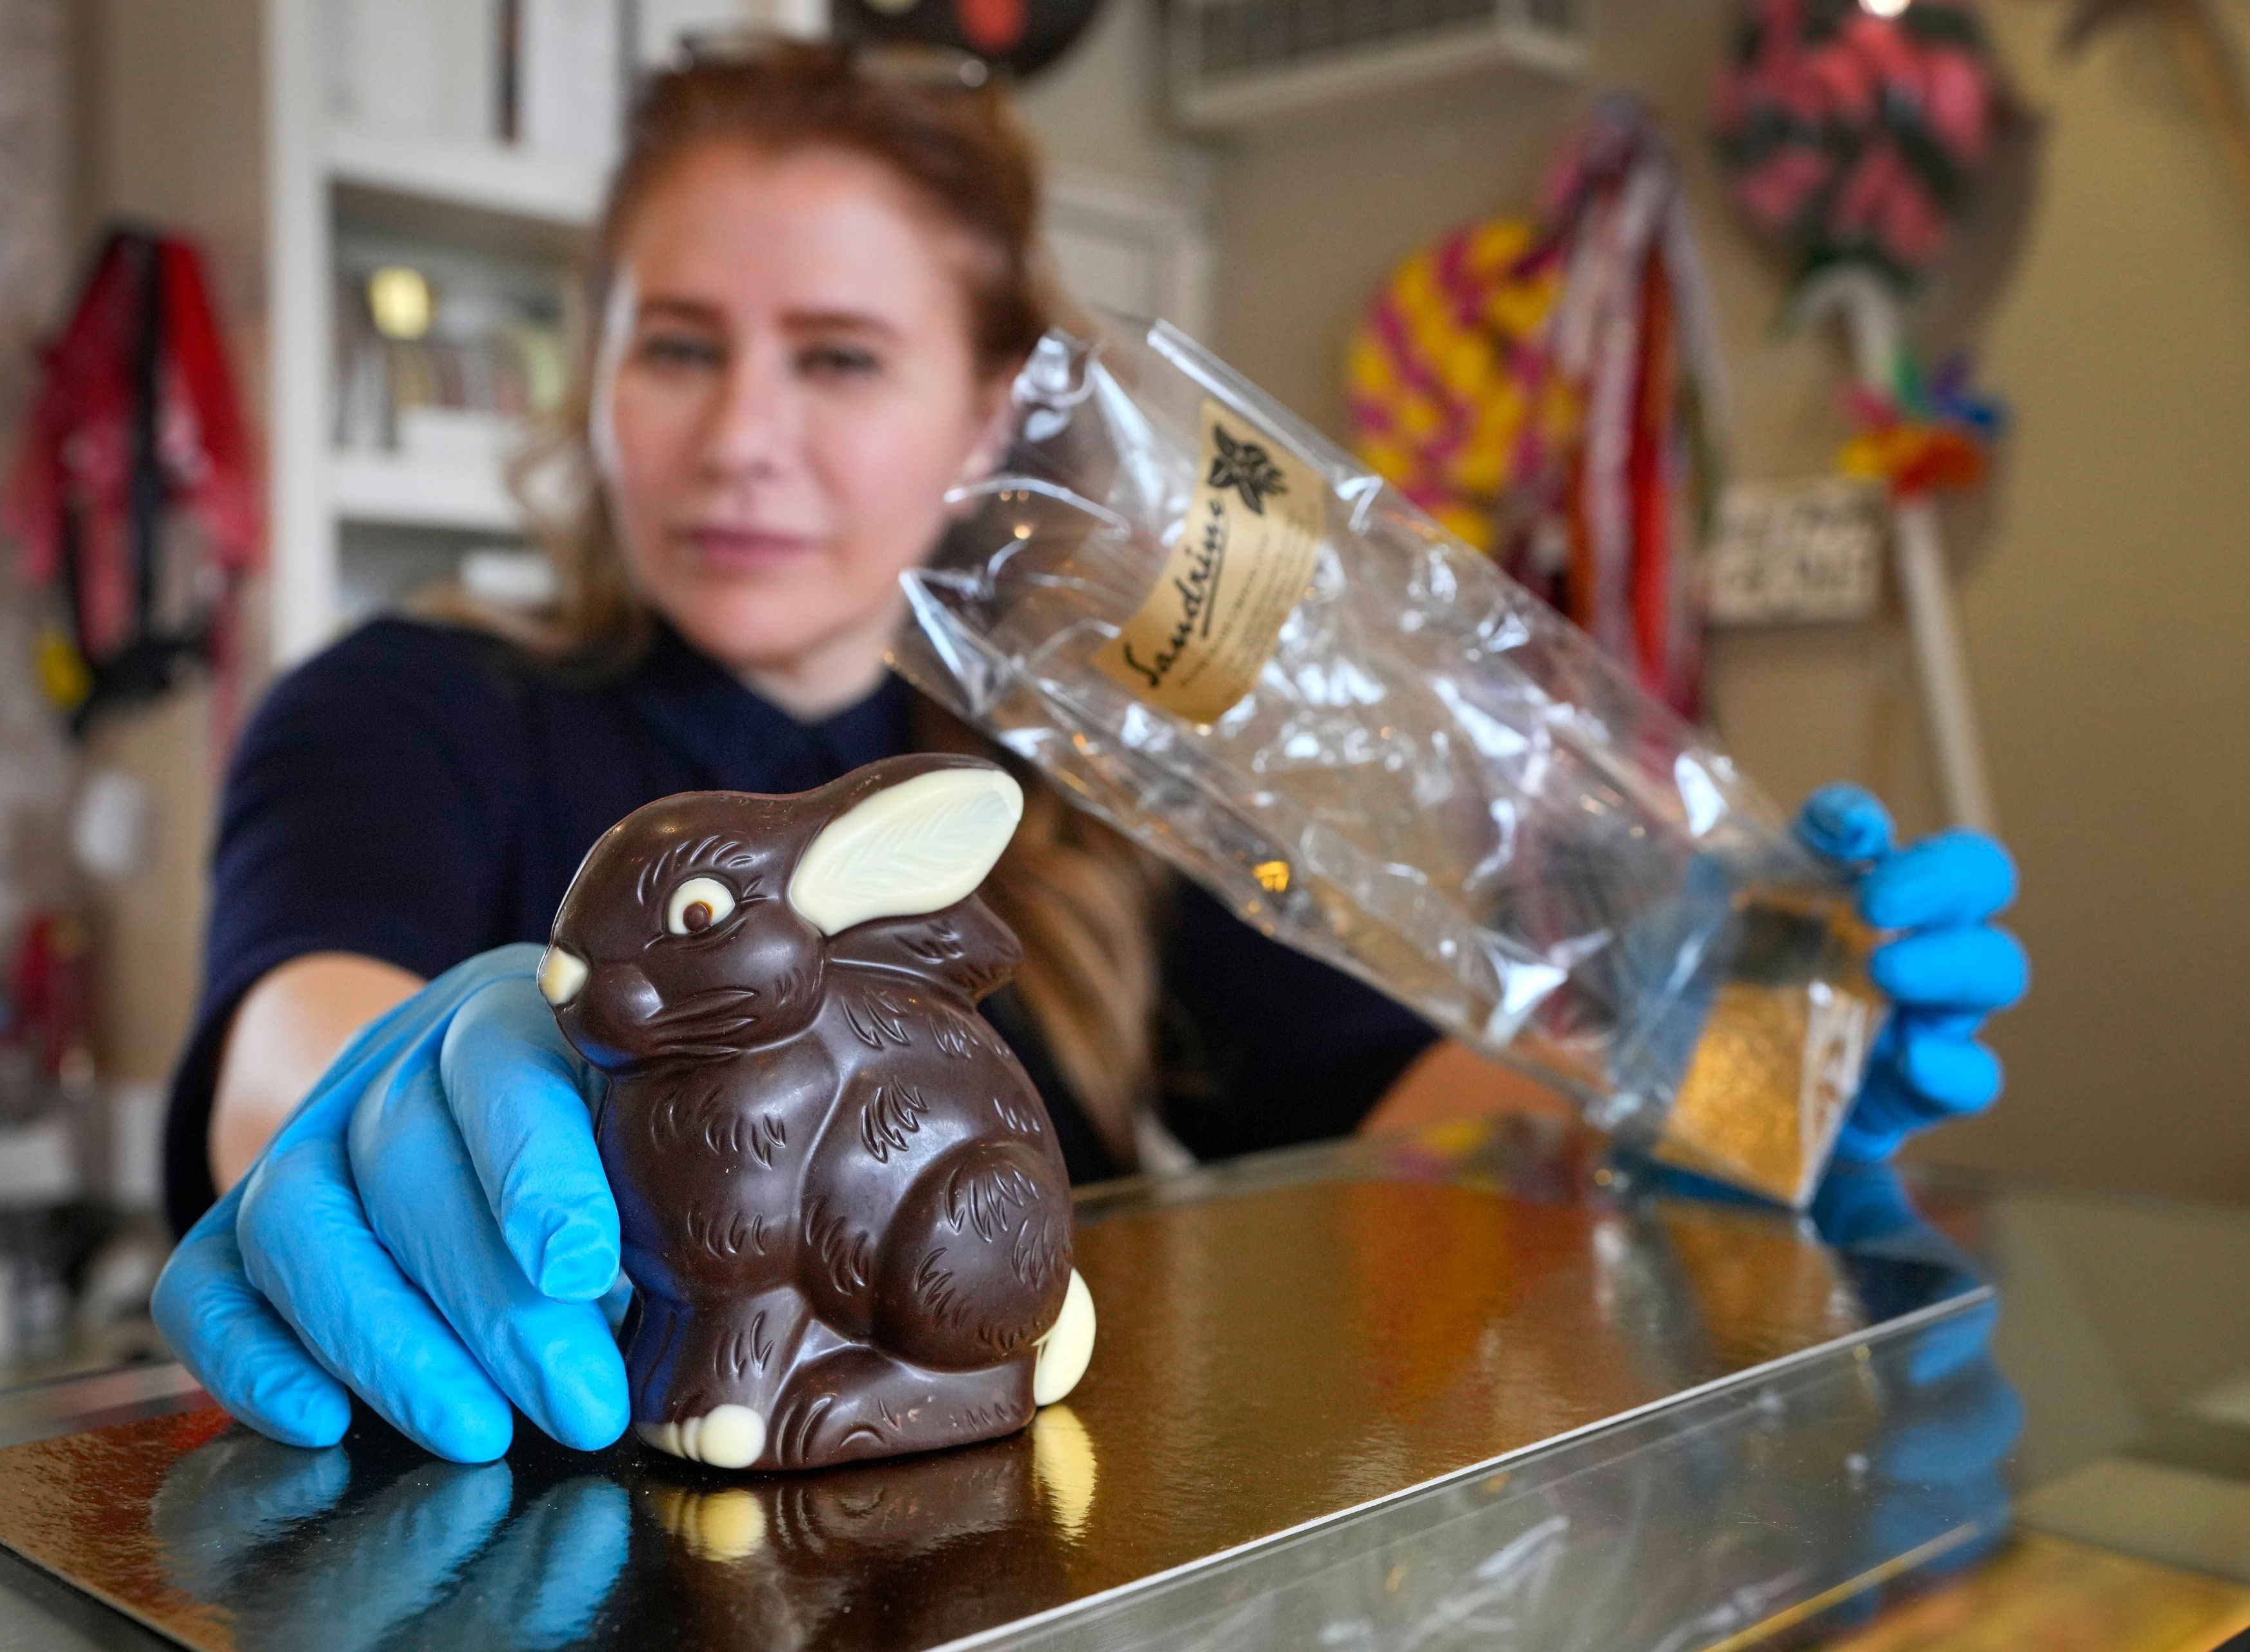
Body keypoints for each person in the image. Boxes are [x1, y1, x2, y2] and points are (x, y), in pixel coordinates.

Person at [152, 41, 2027, 1464]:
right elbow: (293, 1038)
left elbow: (1420, 1136)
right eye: (677, 346)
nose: (740, 436)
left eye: (837, 357)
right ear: (599, 381)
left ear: (986, 418)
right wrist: (393, 1092)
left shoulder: (1092, 785)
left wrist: (1732, 1075)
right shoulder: (406, 708)